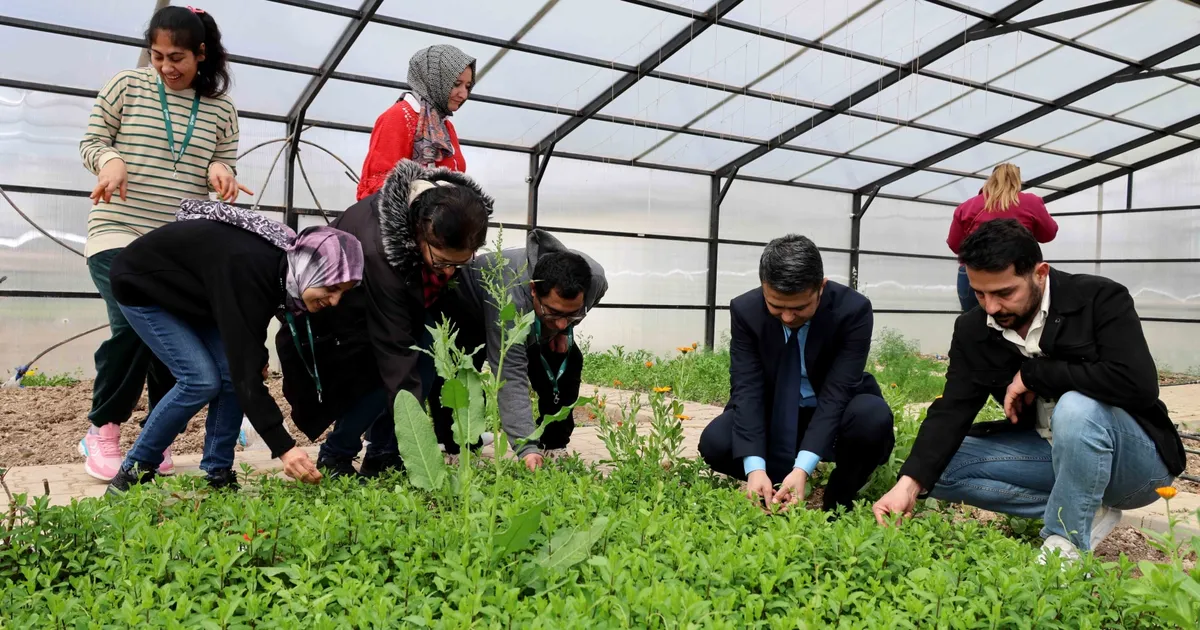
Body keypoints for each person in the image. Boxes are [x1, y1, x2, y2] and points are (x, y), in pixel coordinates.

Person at [873, 220, 1185, 562]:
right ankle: (1084, 511)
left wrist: (1035, 374)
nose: (991, 308)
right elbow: (953, 409)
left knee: (1077, 408)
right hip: (1050, 452)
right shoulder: (973, 328)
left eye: (1005, 293)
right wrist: (907, 486)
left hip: (1135, 467)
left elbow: (1136, 384)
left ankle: (1063, 544)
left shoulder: (1099, 298)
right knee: (932, 469)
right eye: (980, 293)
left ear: (1040, 273)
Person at [78, 5, 253, 482]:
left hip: (175, 249)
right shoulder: (126, 86)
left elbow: (224, 164)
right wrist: (109, 160)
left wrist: (222, 173)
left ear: (201, 54)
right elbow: (91, 142)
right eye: (156, 56)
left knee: (168, 341)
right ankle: (103, 429)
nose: (165, 67)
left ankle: (158, 437)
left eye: (176, 57)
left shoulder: (222, 110)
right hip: (117, 232)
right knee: (134, 326)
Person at [104, 201, 364, 493]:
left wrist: (257, 357)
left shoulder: (282, 268)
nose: (335, 301)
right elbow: (246, 374)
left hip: (196, 296)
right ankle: (133, 471)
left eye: (343, 292)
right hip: (143, 286)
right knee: (200, 380)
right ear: (310, 268)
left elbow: (248, 323)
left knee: (229, 373)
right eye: (331, 288)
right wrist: (285, 448)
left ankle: (217, 474)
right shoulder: (251, 267)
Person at [276, 160, 492, 477]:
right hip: (337, 317)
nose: (448, 272)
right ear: (422, 232)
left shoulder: (429, 214)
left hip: (384, 309)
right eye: (443, 262)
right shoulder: (381, 251)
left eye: (458, 265)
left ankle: (383, 453)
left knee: (426, 357)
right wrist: (418, 446)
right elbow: (395, 351)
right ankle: (337, 456)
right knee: (385, 378)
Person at [698, 235, 895, 513]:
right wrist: (754, 467)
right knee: (717, 442)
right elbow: (747, 388)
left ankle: (838, 498)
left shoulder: (853, 310)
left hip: (832, 410)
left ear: (821, 287)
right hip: (774, 408)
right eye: (777, 307)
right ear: (764, 286)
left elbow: (837, 393)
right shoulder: (745, 310)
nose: (788, 317)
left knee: (871, 418)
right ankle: (770, 485)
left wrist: (803, 467)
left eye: (800, 308)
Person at [439, 230, 607, 469]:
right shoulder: (512, 295)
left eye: (570, 313)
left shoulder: (596, 279)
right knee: (462, 374)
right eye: (554, 312)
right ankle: (457, 448)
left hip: (528, 311)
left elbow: (571, 312)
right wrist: (526, 447)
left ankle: (554, 445)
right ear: (533, 290)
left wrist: (563, 330)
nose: (561, 321)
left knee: (567, 361)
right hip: (469, 307)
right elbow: (511, 373)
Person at [356, 44, 475, 200]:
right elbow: (375, 187)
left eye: (468, 86)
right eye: (456, 84)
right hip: (409, 223)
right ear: (433, 80)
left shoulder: (444, 126)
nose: (464, 94)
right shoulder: (399, 116)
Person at [947, 163, 1057, 313]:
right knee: (1021, 325)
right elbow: (1048, 234)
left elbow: (955, 245)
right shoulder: (1030, 203)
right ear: (1017, 181)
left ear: (990, 179)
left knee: (974, 326)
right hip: (1019, 273)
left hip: (975, 275)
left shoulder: (968, 206)